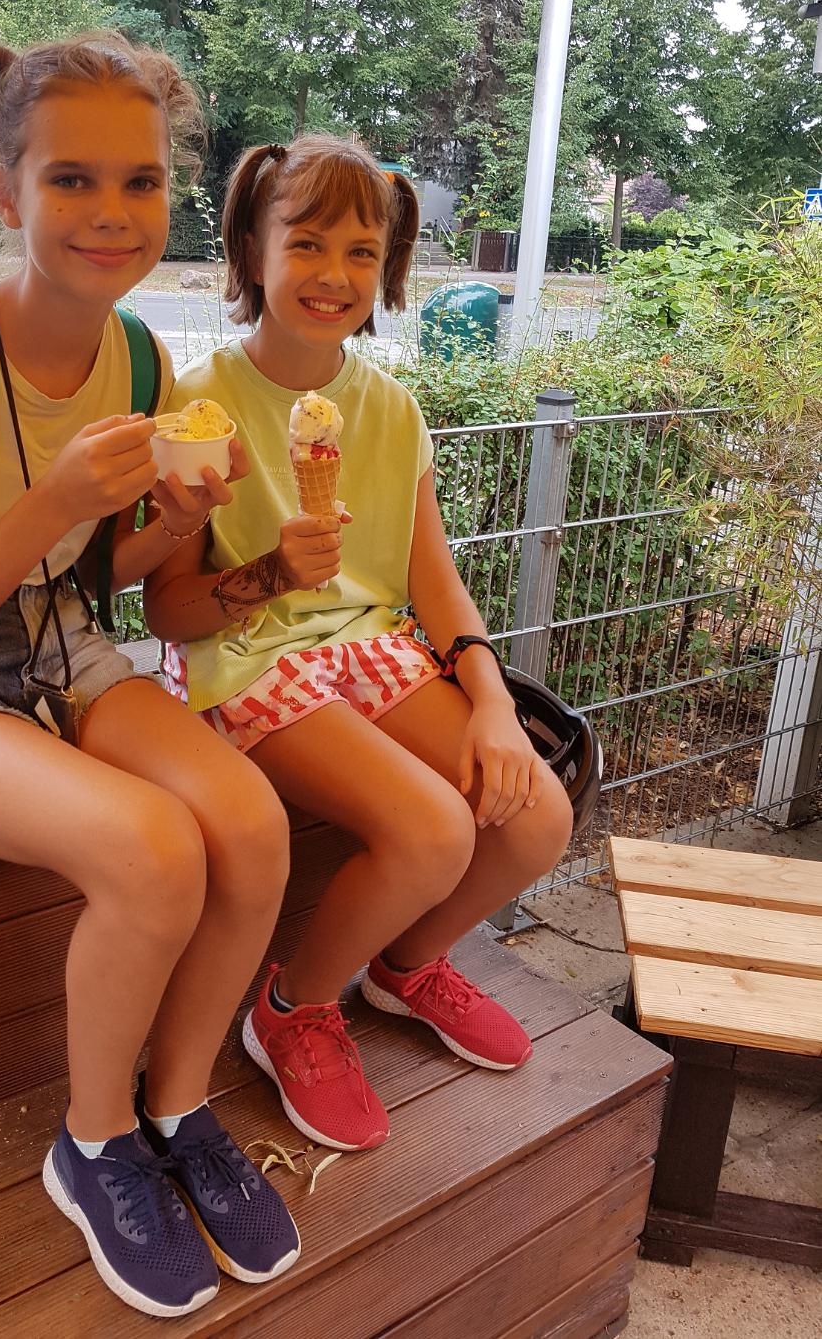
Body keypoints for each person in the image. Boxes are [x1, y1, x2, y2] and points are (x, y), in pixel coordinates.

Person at [0, 32, 300, 1319]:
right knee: (153, 850)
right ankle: (93, 1144)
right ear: (6, 192)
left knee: (251, 827)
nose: (111, 212)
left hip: (60, 638)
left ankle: (178, 1108)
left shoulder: (141, 360)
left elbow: (107, 578)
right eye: (72, 180)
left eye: (140, 182)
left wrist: (176, 516)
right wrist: (53, 501)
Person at [144, 134, 573, 1154]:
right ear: (253, 251)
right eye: (306, 242)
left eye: (360, 251)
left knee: (537, 817)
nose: (333, 273)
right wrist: (268, 575)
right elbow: (167, 612)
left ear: (388, 266)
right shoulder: (198, 405)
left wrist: (493, 705)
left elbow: (433, 582)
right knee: (432, 832)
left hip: (372, 646)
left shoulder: (389, 406)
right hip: (249, 657)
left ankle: (401, 967)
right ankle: (290, 1009)